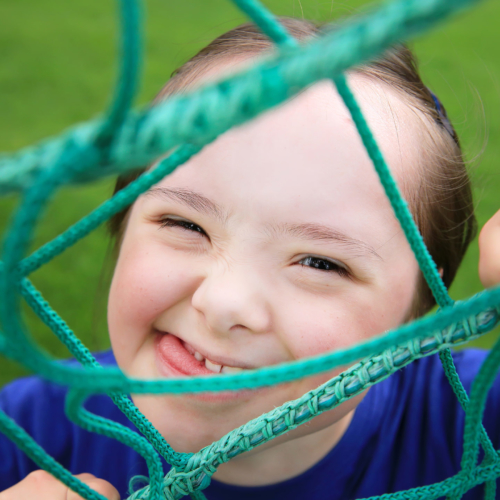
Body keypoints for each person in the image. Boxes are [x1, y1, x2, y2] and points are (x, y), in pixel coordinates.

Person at [1, 18, 500, 500]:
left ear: (420, 302)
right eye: (186, 225)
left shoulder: (476, 421)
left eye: (319, 263)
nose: (222, 303)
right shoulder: (25, 437)